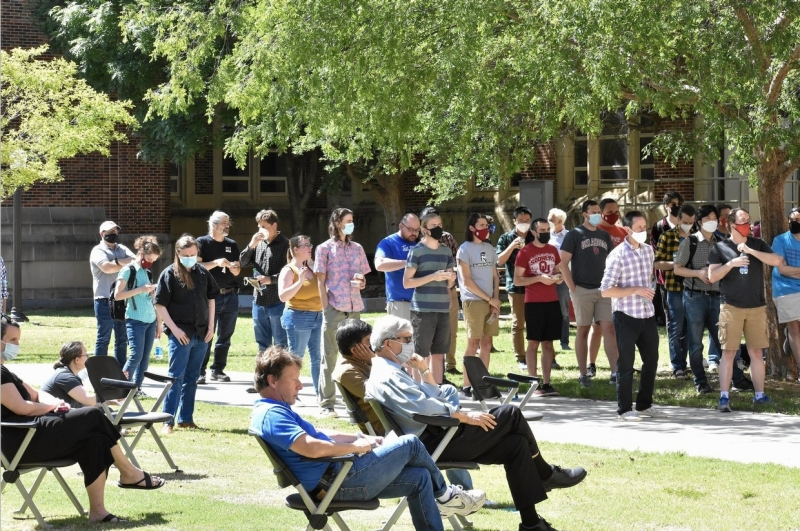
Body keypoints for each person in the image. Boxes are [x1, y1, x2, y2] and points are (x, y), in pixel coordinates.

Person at [366, 315, 587, 531]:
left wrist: (424, 371)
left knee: (516, 445)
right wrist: (464, 416)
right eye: (406, 339)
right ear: (389, 343)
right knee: (510, 413)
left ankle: (531, 523)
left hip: (439, 437)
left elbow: (435, 398)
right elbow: (424, 408)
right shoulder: (387, 375)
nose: (410, 344)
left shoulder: (393, 370)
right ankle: (545, 474)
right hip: (433, 444)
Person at [250, 346, 486, 531]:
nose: (300, 385)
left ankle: (443, 503)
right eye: (294, 379)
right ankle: (446, 497)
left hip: (341, 477)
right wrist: (356, 447)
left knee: (421, 477)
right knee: (410, 443)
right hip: (336, 484)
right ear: (273, 380)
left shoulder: (274, 409)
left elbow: (317, 435)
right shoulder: (272, 415)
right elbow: (310, 448)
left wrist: (358, 437)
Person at [0, 317, 165, 524]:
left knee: (96, 440)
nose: (17, 345)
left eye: (18, 340)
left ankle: (98, 513)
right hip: (20, 441)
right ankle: (128, 472)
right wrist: (52, 407)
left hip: (34, 433)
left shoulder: (6, 371)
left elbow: (36, 395)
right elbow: (21, 408)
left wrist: (56, 402)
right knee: (93, 415)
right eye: (12, 340)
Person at [708, 208, 785, 412]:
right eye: (743, 221)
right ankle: (724, 397)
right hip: (731, 306)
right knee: (729, 352)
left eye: (749, 221)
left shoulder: (757, 244)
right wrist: (731, 264)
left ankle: (759, 395)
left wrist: (751, 251)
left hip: (757, 307)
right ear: (731, 224)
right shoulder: (720, 248)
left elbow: (778, 261)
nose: (748, 225)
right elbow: (712, 276)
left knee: (757, 352)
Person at [600, 212, 666, 422]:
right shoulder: (617, 255)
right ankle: (624, 409)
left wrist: (648, 289)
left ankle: (644, 404)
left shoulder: (648, 251)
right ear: (627, 230)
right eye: (638, 228)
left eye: (644, 227)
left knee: (652, 361)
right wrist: (635, 289)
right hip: (625, 315)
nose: (643, 231)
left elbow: (649, 278)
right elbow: (606, 290)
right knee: (626, 364)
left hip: (646, 314)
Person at [154, 234, 219, 433]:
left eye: (193, 254)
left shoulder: (202, 272)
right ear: (178, 254)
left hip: (201, 333)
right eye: (186, 255)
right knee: (175, 377)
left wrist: (210, 327)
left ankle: (186, 418)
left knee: (192, 378)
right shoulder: (169, 274)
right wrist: (174, 329)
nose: (190, 257)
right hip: (181, 333)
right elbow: (159, 304)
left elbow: (211, 299)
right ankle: (168, 420)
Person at [314, 207, 372, 417]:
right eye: (348, 220)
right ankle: (327, 404)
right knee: (329, 357)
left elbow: (363, 277)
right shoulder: (324, 249)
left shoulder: (357, 248)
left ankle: (353, 405)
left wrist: (362, 282)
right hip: (334, 308)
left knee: (354, 358)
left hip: (354, 308)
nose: (351, 223)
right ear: (337, 223)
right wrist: (324, 307)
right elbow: (320, 281)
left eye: (352, 219)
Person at [559, 200, 618, 387]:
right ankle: (583, 373)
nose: (597, 215)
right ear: (584, 214)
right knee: (583, 329)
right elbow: (562, 263)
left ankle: (615, 372)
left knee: (608, 327)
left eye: (599, 212)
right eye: (593, 212)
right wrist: (572, 287)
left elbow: (612, 261)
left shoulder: (604, 235)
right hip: (582, 289)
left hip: (603, 289)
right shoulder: (575, 235)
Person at [404, 210, 457, 384]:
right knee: (421, 353)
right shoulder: (417, 251)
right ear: (425, 229)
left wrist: (451, 279)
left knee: (439, 353)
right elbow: (407, 282)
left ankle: (437, 388)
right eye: (434, 226)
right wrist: (432, 276)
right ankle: (418, 389)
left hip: (442, 308)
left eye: (440, 225)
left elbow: (449, 285)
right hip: (422, 310)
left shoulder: (446, 251)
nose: (438, 228)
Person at [673, 205, 722, 395]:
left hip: (717, 297)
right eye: (709, 218)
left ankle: (734, 377)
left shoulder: (721, 242)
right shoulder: (690, 242)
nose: (713, 221)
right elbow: (678, 268)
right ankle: (700, 381)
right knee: (695, 342)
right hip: (694, 297)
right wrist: (698, 273)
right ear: (700, 222)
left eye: (715, 218)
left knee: (722, 340)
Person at [514, 219, 562, 396]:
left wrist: (558, 277)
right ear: (534, 232)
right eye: (542, 230)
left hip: (552, 300)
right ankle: (533, 382)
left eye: (548, 229)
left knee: (548, 343)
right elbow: (517, 279)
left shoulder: (552, 250)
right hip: (533, 302)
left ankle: (547, 383)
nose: (546, 233)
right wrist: (539, 278)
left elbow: (557, 270)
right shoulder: (525, 252)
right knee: (533, 342)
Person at [457, 213, 501, 397]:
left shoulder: (489, 248)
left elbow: (495, 276)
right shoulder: (464, 249)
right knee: (473, 342)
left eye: (487, 225)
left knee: (487, 342)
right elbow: (466, 281)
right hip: (473, 301)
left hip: (490, 301)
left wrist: (495, 300)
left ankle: (484, 383)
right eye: (482, 225)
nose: (486, 228)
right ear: (472, 228)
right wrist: (488, 299)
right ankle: (468, 385)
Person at [197, 211, 241, 384]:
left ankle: (218, 369)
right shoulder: (202, 242)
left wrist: (234, 268)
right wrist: (215, 262)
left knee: (226, 336)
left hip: (231, 295)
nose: (227, 226)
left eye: (228, 222)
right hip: (210, 297)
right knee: (207, 334)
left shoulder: (232, 244)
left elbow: (237, 270)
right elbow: (196, 265)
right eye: (224, 223)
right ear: (213, 225)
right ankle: (200, 371)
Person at [114, 235, 162, 391]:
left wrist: (159, 322)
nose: (151, 263)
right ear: (141, 253)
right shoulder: (128, 270)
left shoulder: (147, 272)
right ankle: (121, 388)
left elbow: (153, 300)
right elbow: (118, 295)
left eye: (153, 260)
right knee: (136, 356)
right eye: (149, 259)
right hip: (135, 319)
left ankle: (137, 388)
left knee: (145, 358)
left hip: (150, 319)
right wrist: (141, 289)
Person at [239, 209, 290, 355]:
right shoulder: (258, 243)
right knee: (262, 343)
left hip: (277, 301)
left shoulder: (286, 245)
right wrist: (251, 245)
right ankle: (263, 374)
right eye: (259, 226)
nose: (261, 230)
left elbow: (292, 272)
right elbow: (242, 263)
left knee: (280, 343)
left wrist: (270, 279)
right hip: (259, 301)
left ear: (274, 225)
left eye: (264, 226)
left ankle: (280, 375)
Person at [278, 235, 323, 398]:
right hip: (298, 318)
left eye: (310, 244)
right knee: (296, 358)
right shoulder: (289, 270)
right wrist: (300, 280)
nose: (309, 247)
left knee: (317, 357)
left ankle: (320, 393)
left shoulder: (314, 267)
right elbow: (283, 296)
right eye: (305, 245)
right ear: (295, 250)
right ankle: (290, 393)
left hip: (318, 316)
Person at [654, 204, 696, 380]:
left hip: (694, 289)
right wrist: (677, 265)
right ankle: (677, 365)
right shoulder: (667, 236)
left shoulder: (697, 238)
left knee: (690, 328)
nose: (688, 225)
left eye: (692, 222)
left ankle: (686, 364)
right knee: (675, 327)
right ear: (678, 219)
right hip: (674, 288)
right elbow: (657, 263)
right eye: (685, 222)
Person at [420, 206, 462, 377]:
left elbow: (457, 258)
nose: (436, 227)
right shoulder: (419, 243)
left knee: (450, 330)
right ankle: (431, 372)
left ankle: (450, 364)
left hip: (448, 290)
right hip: (428, 293)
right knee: (428, 334)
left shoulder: (447, 238)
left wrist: (451, 278)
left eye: (438, 222)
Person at [89, 221, 135, 364]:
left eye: (115, 231)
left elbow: (136, 261)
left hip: (121, 298)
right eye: (109, 232)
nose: (113, 234)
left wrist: (116, 261)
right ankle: (99, 369)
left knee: (122, 338)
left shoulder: (121, 248)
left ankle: (120, 370)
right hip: (104, 299)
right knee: (103, 338)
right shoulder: (97, 251)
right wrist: (123, 263)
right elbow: (107, 268)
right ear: (101, 234)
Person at [496, 206, 535, 371]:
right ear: (514, 221)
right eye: (521, 221)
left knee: (536, 323)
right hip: (516, 287)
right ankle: (521, 357)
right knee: (518, 323)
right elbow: (498, 261)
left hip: (535, 285)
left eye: (527, 221)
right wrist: (512, 246)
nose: (524, 224)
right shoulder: (506, 238)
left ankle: (541, 355)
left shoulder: (536, 236)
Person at [332, 319, 383, 435]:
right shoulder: (347, 371)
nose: (372, 344)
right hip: (386, 425)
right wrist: (374, 361)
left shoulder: (359, 361)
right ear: (355, 349)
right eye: (368, 341)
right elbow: (378, 393)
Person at [375, 213, 421, 321]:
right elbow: (379, 264)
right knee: (401, 338)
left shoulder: (421, 244)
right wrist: (408, 263)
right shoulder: (388, 243)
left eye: (417, 230)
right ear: (401, 226)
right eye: (410, 229)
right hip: (400, 303)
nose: (414, 233)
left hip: (422, 302)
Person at [772, 206, 800, 375]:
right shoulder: (780, 240)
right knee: (795, 329)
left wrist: (794, 270)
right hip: (785, 288)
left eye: (798, 220)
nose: (795, 223)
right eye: (792, 220)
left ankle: (789, 336)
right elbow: (782, 270)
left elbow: (789, 269)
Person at [651, 191, 685, 327]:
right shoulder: (659, 227)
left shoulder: (687, 225)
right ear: (666, 206)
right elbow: (655, 252)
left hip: (687, 276)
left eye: (679, 204)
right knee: (671, 315)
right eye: (673, 204)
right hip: (665, 277)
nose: (677, 207)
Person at [41, 341, 96, 408]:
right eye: (86, 355)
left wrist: (108, 401)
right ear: (77, 360)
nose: (88, 356)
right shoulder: (65, 376)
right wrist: (107, 395)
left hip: (61, 413)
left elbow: (86, 403)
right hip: (52, 415)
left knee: (105, 410)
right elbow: (89, 400)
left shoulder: (67, 374)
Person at [548, 209, 571, 355]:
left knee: (563, 310)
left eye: (552, 220)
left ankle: (564, 341)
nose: (549, 222)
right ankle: (549, 339)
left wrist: (563, 274)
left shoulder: (570, 236)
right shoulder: (546, 235)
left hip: (563, 278)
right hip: (546, 277)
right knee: (548, 310)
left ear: (560, 222)